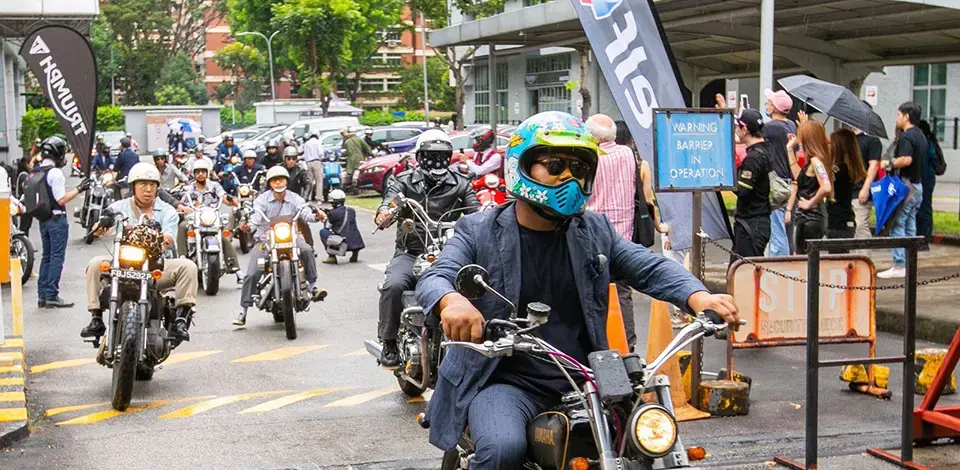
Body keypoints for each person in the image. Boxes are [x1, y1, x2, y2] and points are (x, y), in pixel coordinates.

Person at [415, 111, 740, 467]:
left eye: (580, 169)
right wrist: (452, 300)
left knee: (648, 443)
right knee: (501, 449)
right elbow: (436, 276)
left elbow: (648, 266)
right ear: (520, 166)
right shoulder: (478, 230)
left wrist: (699, 296)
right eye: (555, 165)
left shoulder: (594, 230)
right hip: (506, 381)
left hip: (586, 377)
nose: (569, 178)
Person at [374, 129, 480, 368]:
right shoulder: (404, 181)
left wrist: (486, 218)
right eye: (431, 155)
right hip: (412, 252)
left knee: (479, 283)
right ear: (420, 156)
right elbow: (389, 203)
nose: (437, 160)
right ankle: (389, 341)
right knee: (394, 285)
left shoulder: (461, 184)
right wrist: (387, 213)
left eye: (442, 155)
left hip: (450, 253)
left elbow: (476, 212)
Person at [79, 163, 197, 341]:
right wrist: (100, 225)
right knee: (95, 264)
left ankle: (181, 318)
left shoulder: (168, 211)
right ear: (133, 186)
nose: (148, 189)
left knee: (188, 266)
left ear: (158, 188)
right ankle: (96, 318)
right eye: (143, 185)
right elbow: (98, 231)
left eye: (152, 185)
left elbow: (169, 238)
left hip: (156, 267)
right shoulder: (118, 207)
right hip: (123, 264)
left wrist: (161, 236)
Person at [233, 166, 326, 326]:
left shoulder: (295, 198)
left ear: (286, 181)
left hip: (291, 238)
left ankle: (313, 286)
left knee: (306, 249)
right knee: (252, 273)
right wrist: (247, 225)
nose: (278, 183)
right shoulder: (262, 200)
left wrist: (316, 216)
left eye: (281, 179)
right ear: (270, 183)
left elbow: (305, 213)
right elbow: (255, 218)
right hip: (265, 241)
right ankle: (244, 310)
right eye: (275, 180)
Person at [585, 115, 641, 349]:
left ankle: (598, 342)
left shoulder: (591, 157)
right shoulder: (628, 154)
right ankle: (627, 342)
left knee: (591, 289)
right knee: (621, 289)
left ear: (594, 137)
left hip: (593, 230)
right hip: (623, 231)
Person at [33, 137, 90, 308]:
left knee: (46, 257)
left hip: (43, 220)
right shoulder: (55, 173)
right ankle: (52, 295)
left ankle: (42, 296)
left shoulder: (37, 170)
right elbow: (61, 199)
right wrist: (80, 188)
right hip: (57, 220)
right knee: (57, 258)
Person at [878, 102, 927, 279]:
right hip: (918, 186)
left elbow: (906, 160)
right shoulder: (921, 135)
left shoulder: (907, 137)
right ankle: (909, 262)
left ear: (906, 116)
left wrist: (888, 163)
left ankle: (899, 265)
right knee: (910, 224)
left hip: (905, 186)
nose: (897, 118)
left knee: (897, 224)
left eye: (899, 115)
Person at [177, 159, 242, 277]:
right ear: (194, 173)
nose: (200, 174)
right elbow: (181, 201)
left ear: (207, 173)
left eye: (203, 171)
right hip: (194, 216)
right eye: (198, 172)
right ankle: (182, 257)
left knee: (224, 237)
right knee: (182, 226)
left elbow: (224, 197)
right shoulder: (188, 188)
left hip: (211, 218)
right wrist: (182, 207)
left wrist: (232, 200)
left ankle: (235, 267)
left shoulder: (215, 186)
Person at [785, 120, 833, 255]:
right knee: (803, 258)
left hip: (811, 218)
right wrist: (789, 149)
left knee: (804, 259)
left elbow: (826, 187)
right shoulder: (813, 161)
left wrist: (809, 203)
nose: (798, 138)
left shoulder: (816, 161)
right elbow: (798, 176)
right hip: (807, 218)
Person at [732, 108, 773, 260]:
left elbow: (742, 190)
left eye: (738, 126)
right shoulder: (765, 149)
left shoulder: (753, 158)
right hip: (760, 220)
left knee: (745, 273)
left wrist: (729, 176)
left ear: (745, 129)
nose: (736, 130)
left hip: (751, 223)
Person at [762, 89, 797, 256]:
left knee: (777, 232)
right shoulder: (791, 125)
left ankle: (778, 268)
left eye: (769, 102)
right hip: (788, 180)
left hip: (776, 182)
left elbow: (748, 136)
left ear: (774, 108)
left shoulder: (771, 128)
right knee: (784, 230)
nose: (766, 105)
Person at [826, 129, 867, 243]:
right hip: (844, 220)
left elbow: (826, 182)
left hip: (839, 222)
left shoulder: (841, 170)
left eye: (832, 143)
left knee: (838, 257)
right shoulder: (848, 168)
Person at [853, 102, 883, 240]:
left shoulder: (873, 140)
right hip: (846, 189)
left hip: (860, 190)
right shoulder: (848, 138)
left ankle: (865, 258)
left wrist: (865, 188)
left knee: (861, 225)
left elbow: (873, 166)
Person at [320, 189, 364, 264]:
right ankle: (354, 254)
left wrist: (326, 217)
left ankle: (332, 256)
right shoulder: (351, 210)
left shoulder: (332, 213)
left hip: (342, 243)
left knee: (323, 232)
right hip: (356, 243)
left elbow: (328, 227)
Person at [917, 120, 942, 242]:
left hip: (924, 178)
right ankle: (924, 236)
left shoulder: (925, 143)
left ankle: (924, 237)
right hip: (928, 178)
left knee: (923, 208)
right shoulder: (930, 141)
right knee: (925, 207)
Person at [342, 127, 372, 191]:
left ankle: (351, 187)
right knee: (359, 173)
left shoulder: (347, 141)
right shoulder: (360, 140)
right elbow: (367, 148)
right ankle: (357, 186)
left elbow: (344, 151)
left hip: (350, 160)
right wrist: (371, 154)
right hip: (360, 159)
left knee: (351, 173)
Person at [301, 131, 324, 201]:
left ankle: (309, 197)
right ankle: (319, 197)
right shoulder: (318, 142)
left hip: (308, 163)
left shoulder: (306, 143)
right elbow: (320, 153)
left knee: (309, 181)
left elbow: (304, 154)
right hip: (316, 161)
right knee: (319, 181)